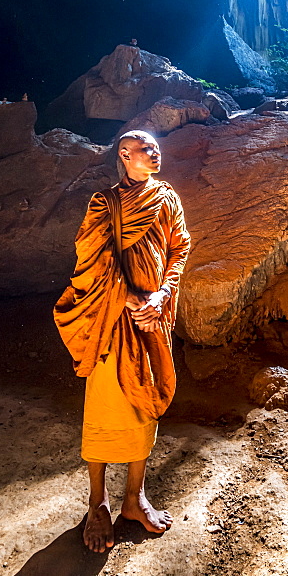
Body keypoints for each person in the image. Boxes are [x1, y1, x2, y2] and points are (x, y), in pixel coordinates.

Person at [54, 130, 191, 552]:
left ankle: (134, 498)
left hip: (153, 319)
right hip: (113, 320)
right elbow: (93, 262)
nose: (156, 154)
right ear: (125, 155)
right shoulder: (105, 203)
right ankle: (98, 502)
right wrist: (132, 298)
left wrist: (163, 294)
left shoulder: (166, 197)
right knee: (105, 404)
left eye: (157, 149)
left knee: (144, 402)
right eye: (147, 150)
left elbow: (178, 248)